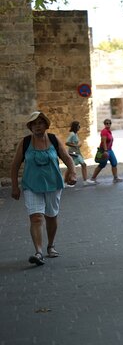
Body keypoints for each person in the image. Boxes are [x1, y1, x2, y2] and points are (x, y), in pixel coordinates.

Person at [10, 111, 77, 266]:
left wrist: (72, 173)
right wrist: (15, 186)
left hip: (53, 184)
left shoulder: (53, 139)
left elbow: (67, 158)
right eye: (34, 124)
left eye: (40, 123)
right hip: (31, 186)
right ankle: (38, 252)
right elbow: (14, 166)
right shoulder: (25, 142)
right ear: (30, 127)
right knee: (36, 217)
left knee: (51, 216)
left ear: (46, 125)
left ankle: (50, 245)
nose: (37, 126)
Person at [90, 119, 123, 184]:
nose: (108, 124)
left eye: (109, 123)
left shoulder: (109, 131)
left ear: (110, 124)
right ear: (104, 124)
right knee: (102, 164)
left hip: (110, 150)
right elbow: (104, 142)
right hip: (105, 150)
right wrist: (105, 151)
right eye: (106, 123)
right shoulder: (104, 131)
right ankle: (93, 178)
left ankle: (115, 178)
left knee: (114, 163)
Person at [65, 121, 97, 187]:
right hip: (73, 154)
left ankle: (85, 181)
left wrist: (78, 144)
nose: (79, 127)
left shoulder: (75, 134)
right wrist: (75, 146)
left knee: (83, 164)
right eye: (79, 126)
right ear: (75, 127)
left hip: (76, 153)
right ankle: (65, 182)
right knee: (70, 167)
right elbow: (67, 142)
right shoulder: (72, 134)